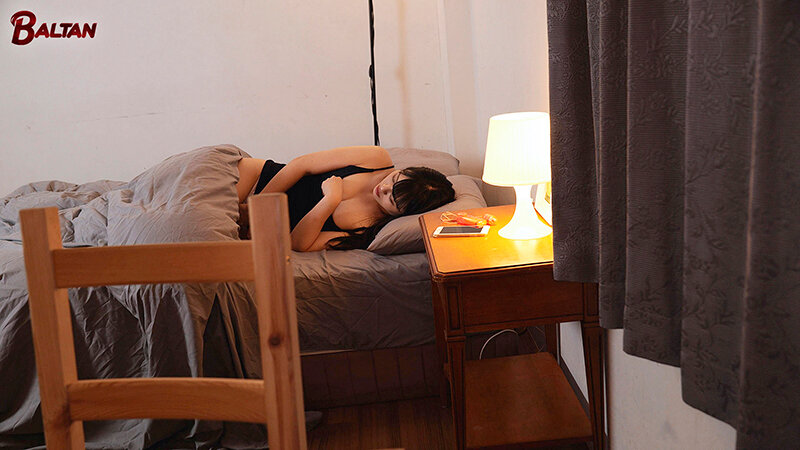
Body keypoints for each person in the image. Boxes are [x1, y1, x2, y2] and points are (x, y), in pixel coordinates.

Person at [236, 145, 455, 251]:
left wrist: (330, 201)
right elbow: (300, 164)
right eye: (395, 178)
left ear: (402, 214)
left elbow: (298, 244)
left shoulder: (366, 230)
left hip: (261, 229)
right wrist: (257, 209)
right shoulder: (376, 159)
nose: (384, 188)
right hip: (256, 181)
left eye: (392, 198)